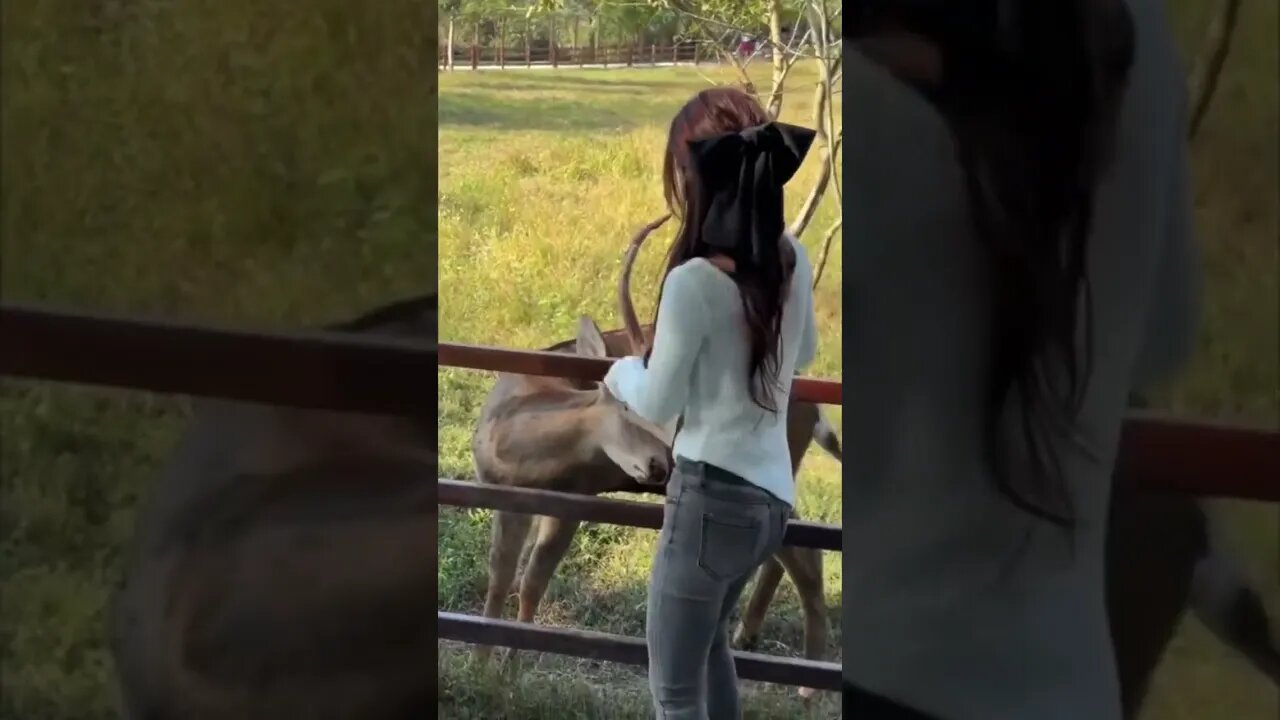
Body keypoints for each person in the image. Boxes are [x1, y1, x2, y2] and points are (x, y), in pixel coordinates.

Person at [840, 1, 1199, 719]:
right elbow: (1162, 336)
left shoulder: (850, 96)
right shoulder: (1133, 31)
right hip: (1063, 685)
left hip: (884, 671)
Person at [602, 88, 818, 719]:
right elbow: (801, 354)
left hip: (709, 503)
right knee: (709, 649)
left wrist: (619, 373)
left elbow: (659, 397)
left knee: (674, 690)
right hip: (770, 505)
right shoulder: (792, 257)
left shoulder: (694, 281)